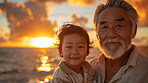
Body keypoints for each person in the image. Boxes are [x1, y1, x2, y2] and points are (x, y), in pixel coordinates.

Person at [90, 0, 148, 83]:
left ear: (133, 31)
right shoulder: (89, 68)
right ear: (96, 34)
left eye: (119, 26)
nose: (111, 34)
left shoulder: (145, 70)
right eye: (104, 27)